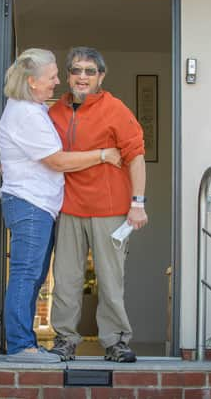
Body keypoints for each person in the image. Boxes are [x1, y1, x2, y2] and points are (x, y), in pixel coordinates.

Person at [0, 48, 122, 363]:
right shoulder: (25, 113)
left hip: (37, 206)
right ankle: (20, 346)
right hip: (30, 206)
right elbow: (56, 160)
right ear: (32, 81)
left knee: (33, 276)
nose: (56, 82)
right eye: (52, 76)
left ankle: (25, 344)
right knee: (27, 275)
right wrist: (103, 154)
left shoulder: (32, 108)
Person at [48, 47, 148, 363]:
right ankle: (64, 340)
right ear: (67, 76)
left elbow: (136, 156)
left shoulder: (116, 109)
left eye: (90, 71)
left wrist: (138, 203)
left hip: (110, 208)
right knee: (65, 279)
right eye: (76, 70)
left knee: (110, 279)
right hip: (68, 206)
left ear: (101, 76)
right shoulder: (54, 113)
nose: (82, 77)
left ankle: (115, 342)